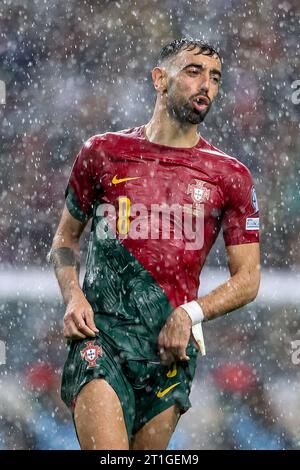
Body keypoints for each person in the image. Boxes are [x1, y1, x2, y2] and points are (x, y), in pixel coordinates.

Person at [49, 38, 260, 450]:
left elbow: (249, 279)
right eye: (194, 71)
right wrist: (73, 296)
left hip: (169, 351)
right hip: (101, 338)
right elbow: (65, 239)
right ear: (160, 79)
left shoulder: (230, 176)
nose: (206, 85)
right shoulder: (103, 152)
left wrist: (189, 313)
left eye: (215, 77)